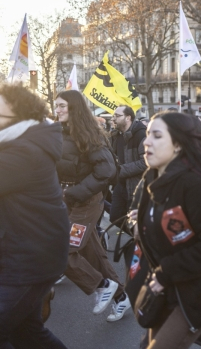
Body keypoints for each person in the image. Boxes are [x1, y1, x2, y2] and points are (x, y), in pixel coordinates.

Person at [130, 112, 201, 349]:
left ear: (178, 144)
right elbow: (143, 213)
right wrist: (139, 223)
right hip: (171, 287)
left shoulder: (193, 184)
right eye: (147, 135)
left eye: (157, 136)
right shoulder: (152, 176)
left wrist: (165, 273)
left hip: (199, 289)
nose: (146, 142)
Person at [0, 84, 69, 348]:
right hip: (24, 252)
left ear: (16, 117)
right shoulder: (19, 143)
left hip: (31, 258)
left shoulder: (24, 151)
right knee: (27, 333)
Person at [54, 90, 129, 322]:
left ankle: (102, 285)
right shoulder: (58, 132)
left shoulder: (90, 135)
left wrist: (74, 192)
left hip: (86, 203)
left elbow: (107, 171)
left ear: (74, 108)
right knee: (95, 255)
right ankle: (120, 298)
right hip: (67, 201)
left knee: (61, 251)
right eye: (56, 105)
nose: (57, 110)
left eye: (62, 106)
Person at [109, 105, 147, 224]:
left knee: (134, 222)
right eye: (113, 115)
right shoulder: (116, 136)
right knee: (115, 217)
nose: (114, 118)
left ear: (128, 118)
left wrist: (120, 170)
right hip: (120, 185)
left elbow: (145, 162)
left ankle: (138, 241)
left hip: (135, 186)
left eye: (117, 115)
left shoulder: (141, 135)